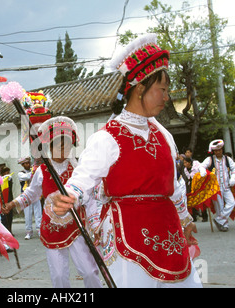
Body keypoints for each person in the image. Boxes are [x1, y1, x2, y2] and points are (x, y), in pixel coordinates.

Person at [51, 34, 201, 288]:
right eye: (162, 90)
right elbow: (83, 178)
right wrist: (69, 195)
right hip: (128, 234)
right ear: (140, 87)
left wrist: (185, 219)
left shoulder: (163, 134)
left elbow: (173, 184)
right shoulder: (107, 137)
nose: (166, 97)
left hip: (169, 231)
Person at [3, 116, 102, 288]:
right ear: (49, 146)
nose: (64, 148)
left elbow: (90, 198)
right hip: (52, 229)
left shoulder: (78, 169)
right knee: (58, 277)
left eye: (67, 144)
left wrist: (95, 225)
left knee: (89, 271)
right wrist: (13, 204)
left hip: (75, 227)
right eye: (59, 144)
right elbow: (31, 194)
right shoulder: (42, 171)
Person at [199, 140, 235, 231]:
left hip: (226, 186)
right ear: (213, 151)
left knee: (231, 203)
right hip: (216, 188)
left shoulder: (227, 159)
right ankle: (224, 225)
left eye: (219, 150)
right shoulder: (210, 159)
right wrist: (202, 171)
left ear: (222, 150)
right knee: (219, 207)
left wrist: (233, 177)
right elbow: (201, 166)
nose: (218, 152)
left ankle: (219, 219)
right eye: (216, 151)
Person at [17, 157, 42, 240]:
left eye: (28, 163)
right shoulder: (21, 173)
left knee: (38, 212)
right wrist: (33, 171)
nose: (27, 165)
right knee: (27, 214)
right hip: (26, 195)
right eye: (24, 164)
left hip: (35, 194)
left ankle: (39, 230)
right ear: (22, 165)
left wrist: (35, 170)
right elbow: (27, 177)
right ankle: (29, 232)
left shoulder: (35, 170)